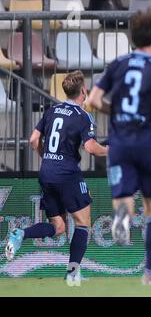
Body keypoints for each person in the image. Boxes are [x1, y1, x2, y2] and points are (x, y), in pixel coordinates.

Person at [86, 8, 151, 285]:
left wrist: (114, 111)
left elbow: (92, 100)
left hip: (119, 142)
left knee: (124, 198)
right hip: (150, 142)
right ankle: (149, 274)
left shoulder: (117, 64)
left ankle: (122, 218)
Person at [4, 71, 107, 286]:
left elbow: (33, 139)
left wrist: (47, 157)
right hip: (67, 173)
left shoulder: (51, 111)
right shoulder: (82, 115)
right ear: (84, 91)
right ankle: (72, 273)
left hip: (47, 171)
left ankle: (20, 233)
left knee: (58, 226)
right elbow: (91, 148)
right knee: (83, 223)